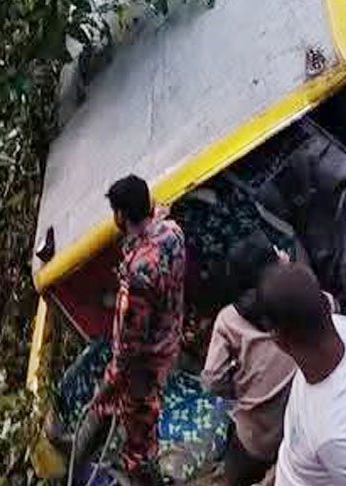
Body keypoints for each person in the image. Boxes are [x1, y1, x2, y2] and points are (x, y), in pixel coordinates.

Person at [78, 174, 186, 484]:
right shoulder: (173, 232)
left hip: (144, 367)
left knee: (139, 437)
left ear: (121, 216)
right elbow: (160, 223)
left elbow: (128, 345)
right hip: (169, 341)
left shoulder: (138, 274)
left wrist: (110, 382)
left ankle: (143, 475)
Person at [258, 262, 346, 486]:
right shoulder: (343, 327)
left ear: (279, 340)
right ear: (326, 302)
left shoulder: (336, 437)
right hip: (297, 464)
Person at [200, 233, 296, 486]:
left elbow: (211, 381)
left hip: (261, 439)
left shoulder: (229, 320)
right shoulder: (297, 293)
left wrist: (240, 388)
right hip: (306, 419)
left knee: (234, 475)